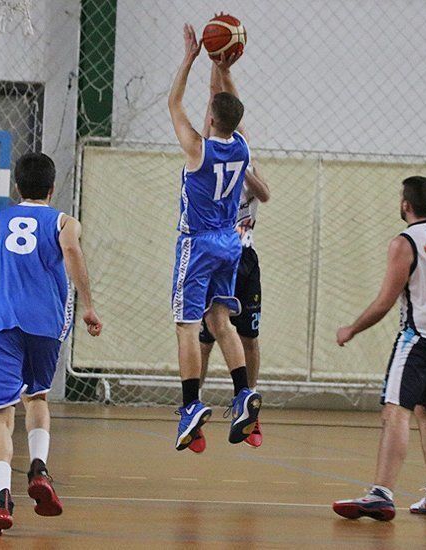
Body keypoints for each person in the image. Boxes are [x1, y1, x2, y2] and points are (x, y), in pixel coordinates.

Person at [332, 176, 426, 521]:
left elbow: (385, 303)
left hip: (419, 339)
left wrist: (352, 329)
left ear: (406, 204)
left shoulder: (405, 243)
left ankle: (381, 494)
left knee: (395, 410)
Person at [0, 152, 102, 535]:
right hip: (45, 324)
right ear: (52, 188)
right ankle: (39, 467)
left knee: (0, 413)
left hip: (1, 323)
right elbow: (72, 251)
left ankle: (1, 498)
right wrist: (88, 305)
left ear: (16, 187)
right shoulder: (64, 221)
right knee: (37, 398)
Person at [168, 24, 260, 453]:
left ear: (209, 119)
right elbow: (228, 106)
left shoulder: (197, 150)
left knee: (186, 324)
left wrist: (190, 58)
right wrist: (220, 67)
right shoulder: (241, 147)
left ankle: (190, 404)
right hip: (230, 244)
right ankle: (243, 393)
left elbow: (174, 102)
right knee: (221, 321)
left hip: (197, 243)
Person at [196, 63, 271, 452]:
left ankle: (250, 408)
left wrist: (222, 64)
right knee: (207, 336)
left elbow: (266, 193)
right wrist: (215, 64)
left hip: (245, 258)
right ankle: (196, 409)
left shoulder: (243, 153)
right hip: (218, 255)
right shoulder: (208, 152)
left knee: (249, 336)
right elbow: (217, 104)